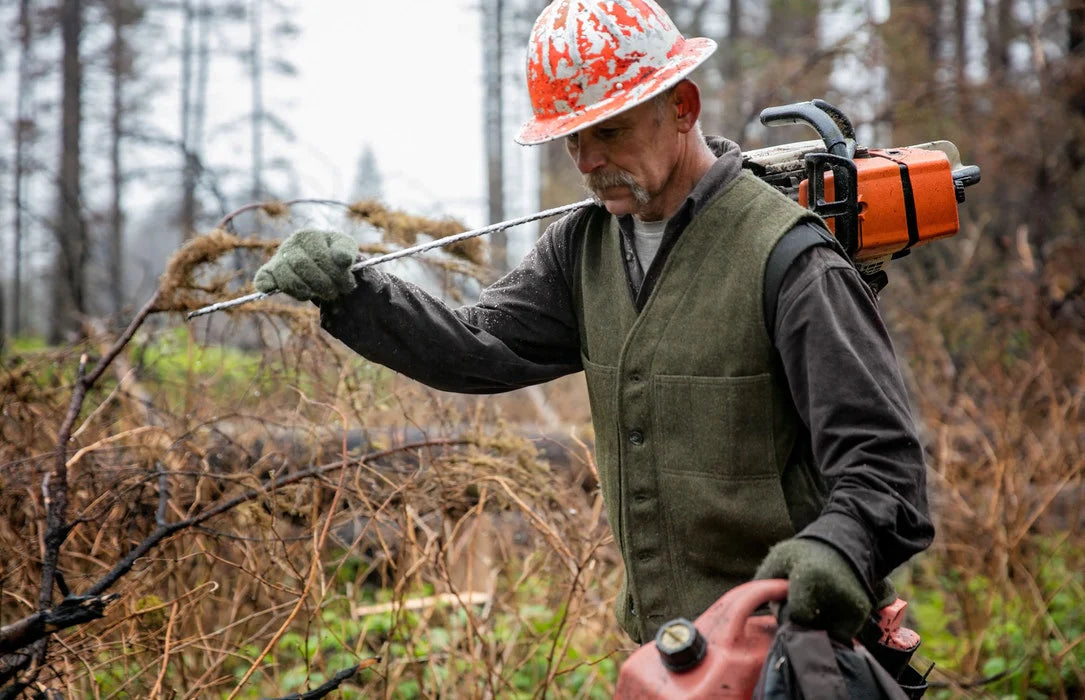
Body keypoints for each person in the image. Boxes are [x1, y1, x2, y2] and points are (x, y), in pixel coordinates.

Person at [253, 0, 933, 647]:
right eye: (571, 138)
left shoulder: (789, 258)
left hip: (797, 645)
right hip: (667, 652)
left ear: (681, 107)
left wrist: (834, 552)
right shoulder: (582, 249)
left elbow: (884, 467)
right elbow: (480, 347)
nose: (585, 160)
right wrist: (353, 295)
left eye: (607, 131)